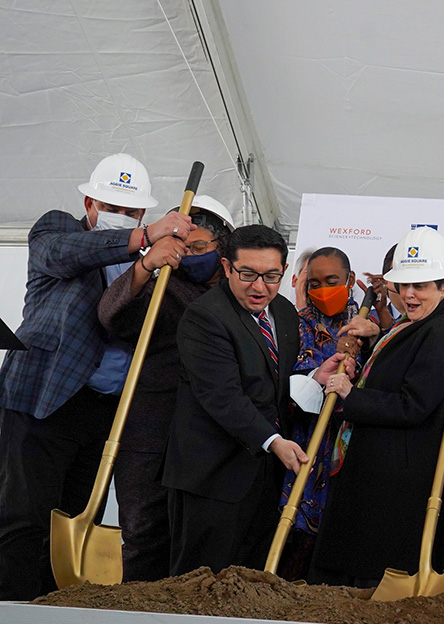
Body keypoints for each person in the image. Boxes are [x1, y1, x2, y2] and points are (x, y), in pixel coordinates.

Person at [0, 153, 193, 599]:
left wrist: (152, 255)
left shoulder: (154, 263)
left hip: (107, 412)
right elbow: (63, 255)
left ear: (142, 211)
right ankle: (11, 612)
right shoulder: (57, 229)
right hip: (42, 398)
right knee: (22, 516)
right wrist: (142, 236)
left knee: (71, 519)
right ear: (88, 202)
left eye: (129, 211)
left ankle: (52, 609)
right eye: (110, 206)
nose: (118, 217)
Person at [164, 225, 343, 575]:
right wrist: (275, 441)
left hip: (264, 479)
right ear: (227, 267)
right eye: (248, 274)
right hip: (212, 478)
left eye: (272, 275)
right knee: (202, 583)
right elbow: (222, 396)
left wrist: (313, 379)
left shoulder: (285, 314)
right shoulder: (205, 317)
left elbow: (272, 385)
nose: (260, 286)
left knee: (251, 581)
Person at [307, 229, 444, 588]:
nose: (410, 294)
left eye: (421, 285)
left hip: (394, 484)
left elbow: (413, 405)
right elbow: (394, 376)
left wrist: (351, 393)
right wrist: (363, 361)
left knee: (372, 582)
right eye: (405, 284)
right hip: (376, 472)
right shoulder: (413, 324)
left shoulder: (439, 334)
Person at [97, 195, 234, 582]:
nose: (190, 255)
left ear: (222, 249)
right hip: (150, 428)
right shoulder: (161, 287)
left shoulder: (237, 296)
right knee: (143, 531)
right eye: (183, 247)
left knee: (194, 537)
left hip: (207, 435)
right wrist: (144, 267)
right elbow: (112, 315)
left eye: (200, 247)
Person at [275, 246, 380, 580]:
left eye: (331, 281)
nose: (322, 291)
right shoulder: (295, 323)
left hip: (353, 443)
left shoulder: (371, 324)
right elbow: (284, 383)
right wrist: (319, 373)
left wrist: (374, 336)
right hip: (307, 439)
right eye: (314, 284)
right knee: (297, 535)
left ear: (349, 279)